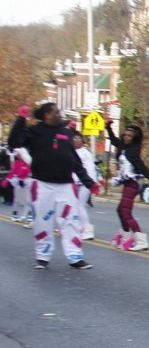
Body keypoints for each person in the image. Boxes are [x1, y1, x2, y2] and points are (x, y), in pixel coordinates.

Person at [20, 103, 96, 269]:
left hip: (65, 185)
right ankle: (43, 256)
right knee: (42, 221)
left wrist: (88, 182)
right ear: (47, 114)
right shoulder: (34, 131)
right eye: (56, 112)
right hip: (42, 184)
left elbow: (74, 161)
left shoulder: (66, 132)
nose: (60, 114)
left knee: (71, 220)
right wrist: (21, 119)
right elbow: (14, 141)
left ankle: (75, 256)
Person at [107, 120, 149, 251]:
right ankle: (126, 237)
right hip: (127, 183)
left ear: (134, 138)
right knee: (120, 210)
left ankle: (141, 240)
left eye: (129, 136)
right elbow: (113, 140)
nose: (126, 137)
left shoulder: (133, 151)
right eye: (125, 135)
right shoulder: (124, 147)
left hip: (133, 183)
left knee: (125, 211)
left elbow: (143, 168)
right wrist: (108, 127)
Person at [71, 131, 103, 240]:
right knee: (75, 205)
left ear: (81, 140)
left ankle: (88, 230)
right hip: (77, 182)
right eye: (73, 139)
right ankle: (80, 227)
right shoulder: (73, 152)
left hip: (86, 182)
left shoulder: (84, 152)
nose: (75, 140)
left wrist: (92, 181)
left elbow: (89, 169)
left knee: (80, 205)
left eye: (77, 138)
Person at [2, 147, 33, 224]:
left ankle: (29, 215)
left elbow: (32, 173)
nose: (18, 156)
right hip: (18, 182)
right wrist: (7, 180)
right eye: (17, 154)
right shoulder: (16, 163)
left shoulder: (29, 163)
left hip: (28, 182)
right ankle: (14, 214)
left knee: (29, 200)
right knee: (16, 200)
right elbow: (12, 173)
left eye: (19, 154)